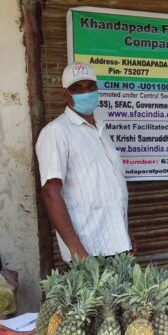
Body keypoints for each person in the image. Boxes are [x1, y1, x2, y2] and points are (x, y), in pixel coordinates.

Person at [35, 62, 133, 261]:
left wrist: (126, 236)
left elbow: (110, 189)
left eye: (90, 86)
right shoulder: (56, 132)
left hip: (118, 245)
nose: (86, 92)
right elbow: (50, 193)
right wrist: (77, 251)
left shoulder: (101, 131)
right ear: (65, 95)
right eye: (77, 88)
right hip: (89, 250)